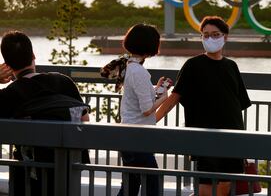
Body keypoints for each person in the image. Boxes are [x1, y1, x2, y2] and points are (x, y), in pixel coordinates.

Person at [156, 16, 252, 196]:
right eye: (205, 35)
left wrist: (242, 140)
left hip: (232, 137)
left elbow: (237, 105)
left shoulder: (231, 66)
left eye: (215, 34)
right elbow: (174, 98)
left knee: (224, 187)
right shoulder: (193, 65)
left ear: (225, 37)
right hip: (204, 137)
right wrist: (151, 120)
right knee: (205, 190)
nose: (210, 39)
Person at [0, 30, 90, 195]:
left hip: (29, 174)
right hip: (66, 168)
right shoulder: (64, 81)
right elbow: (84, 120)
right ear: (33, 55)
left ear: (7, 64)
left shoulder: (9, 94)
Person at [104, 23, 171, 196]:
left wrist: (156, 89)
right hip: (139, 137)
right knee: (152, 182)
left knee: (130, 185)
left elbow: (139, 99)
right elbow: (147, 109)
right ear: (151, 47)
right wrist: (164, 98)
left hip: (128, 135)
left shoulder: (129, 68)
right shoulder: (139, 72)